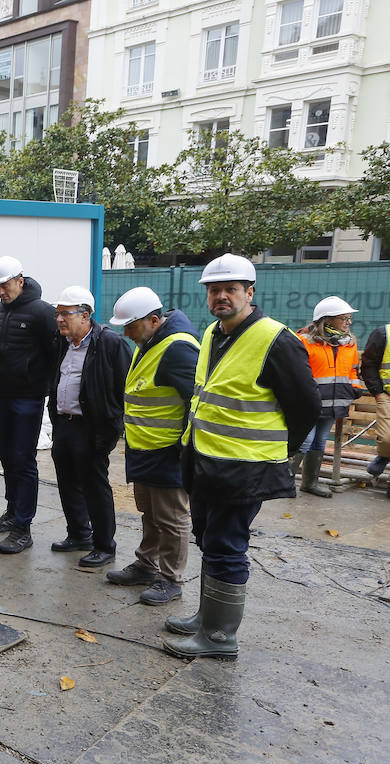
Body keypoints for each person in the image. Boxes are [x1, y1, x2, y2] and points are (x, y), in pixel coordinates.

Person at [163, 254, 318, 659]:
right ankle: (206, 618)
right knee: (210, 541)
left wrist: (279, 455)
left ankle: (219, 638)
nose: (221, 297)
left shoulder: (276, 340)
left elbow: (305, 407)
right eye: (214, 290)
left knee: (227, 546)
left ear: (249, 293)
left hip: (244, 468)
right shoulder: (215, 334)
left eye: (230, 289)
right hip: (206, 460)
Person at [105, 287, 200, 605]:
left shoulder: (178, 349)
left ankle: (171, 578)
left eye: (131, 326)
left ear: (155, 320)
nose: (128, 334)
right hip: (144, 449)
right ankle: (146, 565)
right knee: (150, 513)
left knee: (172, 518)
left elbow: (197, 402)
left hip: (167, 452)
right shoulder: (149, 343)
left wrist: (185, 448)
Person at [45, 286, 132, 570]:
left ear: (85, 315)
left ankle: (104, 545)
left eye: (65, 314)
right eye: (58, 313)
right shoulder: (63, 343)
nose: (59, 319)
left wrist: (110, 431)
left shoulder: (110, 343)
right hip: (64, 424)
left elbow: (123, 391)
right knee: (67, 483)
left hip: (91, 428)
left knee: (95, 487)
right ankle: (79, 534)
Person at [0, 256, 58, 554]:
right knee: (6, 457)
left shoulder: (42, 311)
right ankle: (12, 512)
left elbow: (55, 353)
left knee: (24, 460)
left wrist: (44, 387)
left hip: (28, 397)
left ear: (20, 281)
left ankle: (23, 528)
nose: (1, 292)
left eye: (5, 285)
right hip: (1, 395)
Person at [293, 297, 363, 498]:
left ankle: (310, 484)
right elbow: (297, 373)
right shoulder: (304, 341)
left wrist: (354, 388)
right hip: (309, 403)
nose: (348, 323)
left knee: (320, 441)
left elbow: (352, 370)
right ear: (328, 320)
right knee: (305, 441)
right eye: (344, 318)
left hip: (335, 401)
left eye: (349, 319)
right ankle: (284, 483)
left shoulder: (349, 343)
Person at [358, 321, 390, 491]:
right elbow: (368, 364)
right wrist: (378, 392)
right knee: (386, 438)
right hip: (387, 394)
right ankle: (384, 455)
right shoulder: (383, 333)